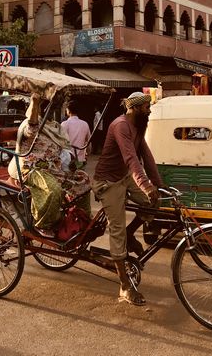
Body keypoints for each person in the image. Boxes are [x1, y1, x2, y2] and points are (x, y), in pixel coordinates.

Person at [92, 92, 163, 307]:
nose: (149, 111)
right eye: (145, 108)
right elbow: (131, 158)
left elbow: (146, 156)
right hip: (108, 181)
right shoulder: (120, 125)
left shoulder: (138, 126)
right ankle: (124, 286)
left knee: (153, 203)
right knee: (117, 229)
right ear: (134, 108)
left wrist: (158, 185)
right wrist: (145, 184)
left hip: (124, 177)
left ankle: (131, 234)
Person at [9, 93, 91, 235]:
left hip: (53, 168)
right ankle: (44, 224)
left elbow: (64, 149)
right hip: (31, 169)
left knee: (83, 179)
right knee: (53, 189)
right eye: (45, 105)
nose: (50, 108)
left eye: (52, 105)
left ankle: (81, 218)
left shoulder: (56, 126)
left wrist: (73, 164)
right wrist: (35, 102)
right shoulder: (30, 122)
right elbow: (31, 128)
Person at [61, 99, 91, 164]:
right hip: (80, 161)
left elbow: (60, 143)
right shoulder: (85, 124)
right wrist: (87, 154)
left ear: (68, 110)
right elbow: (88, 143)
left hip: (67, 161)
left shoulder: (64, 124)